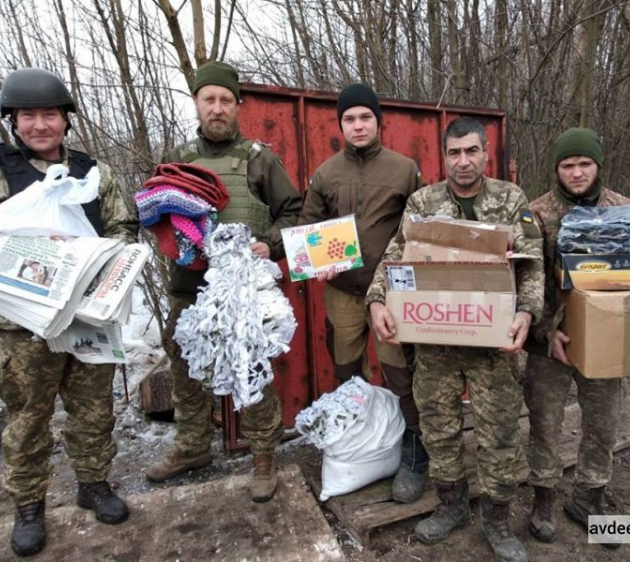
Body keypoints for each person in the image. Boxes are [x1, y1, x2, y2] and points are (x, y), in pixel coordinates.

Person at [367, 117, 544, 561]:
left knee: (499, 434)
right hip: (436, 343)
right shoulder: (423, 203)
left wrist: (526, 312)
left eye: (471, 151)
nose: (462, 161)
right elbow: (395, 255)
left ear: (486, 152)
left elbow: (533, 262)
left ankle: (497, 520)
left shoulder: (510, 200)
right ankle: (452, 506)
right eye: (453, 153)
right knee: (439, 430)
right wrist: (377, 301)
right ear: (442, 156)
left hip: (493, 347)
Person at [0, 68, 138, 557]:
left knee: (93, 406)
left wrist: (109, 274)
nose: (40, 125)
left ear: (66, 121)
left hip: (87, 314)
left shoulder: (95, 173)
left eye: (50, 114)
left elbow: (123, 227)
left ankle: (93, 483)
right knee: (28, 414)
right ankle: (28, 503)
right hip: (22, 321)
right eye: (28, 116)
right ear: (14, 121)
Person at [144, 62, 302, 503]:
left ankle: (263, 456)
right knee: (185, 369)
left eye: (225, 101)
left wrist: (269, 244)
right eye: (208, 99)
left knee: (250, 369)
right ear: (196, 103)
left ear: (238, 106)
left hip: (242, 290)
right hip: (189, 287)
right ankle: (192, 448)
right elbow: (157, 215)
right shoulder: (178, 160)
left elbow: (293, 211)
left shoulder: (258, 158)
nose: (217, 109)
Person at [297, 83, 428, 502]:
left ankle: (413, 449)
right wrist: (314, 260)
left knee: (399, 371)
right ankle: (356, 442)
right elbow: (308, 228)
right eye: (349, 119)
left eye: (364, 118)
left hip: (392, 292)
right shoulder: (326, 173)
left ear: (377, 121)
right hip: (342, 291)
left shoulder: (404, 169)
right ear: (340, 124)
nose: (357, 125)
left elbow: (419, 230)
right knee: (347, 370)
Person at [524, 127, 630, 548]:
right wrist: (545, 331)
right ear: (557, 168)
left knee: (603, 423)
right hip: (550, 341)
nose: (576, 172)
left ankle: (589, 499)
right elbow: (526, 280)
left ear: (598, 166)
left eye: (584, 164)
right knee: (544, 423)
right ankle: (543, 499)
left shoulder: (625, 212)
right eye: (568, 164)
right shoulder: (535, 213)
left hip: (607, 339)